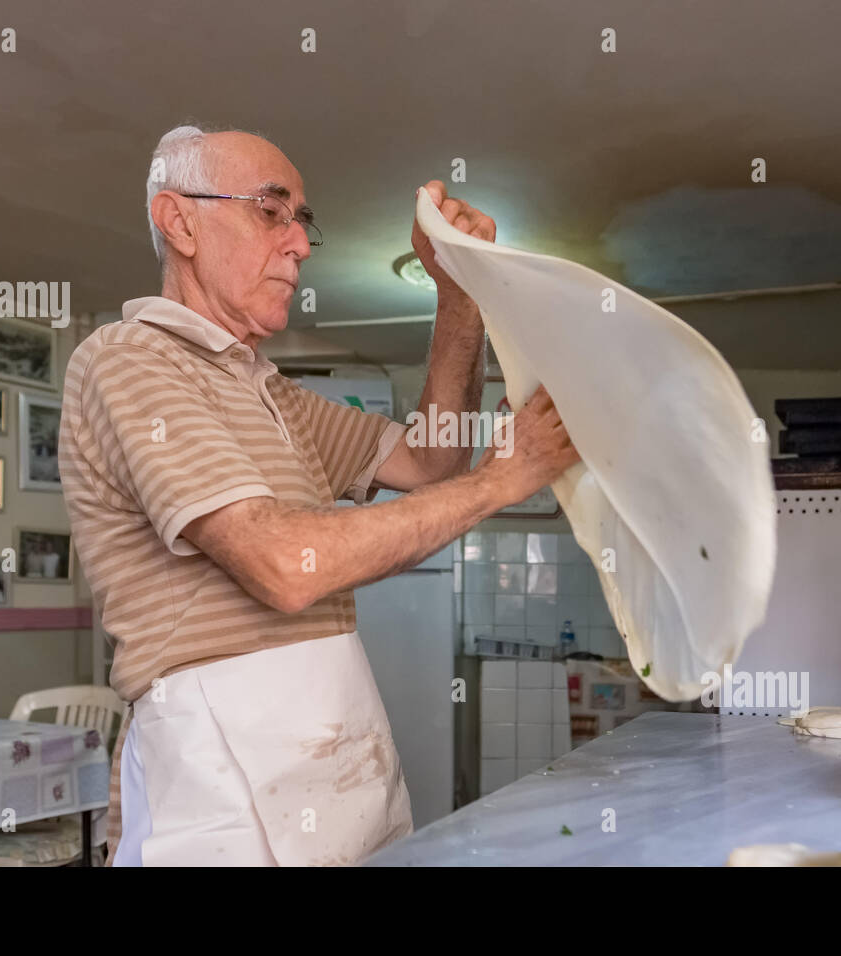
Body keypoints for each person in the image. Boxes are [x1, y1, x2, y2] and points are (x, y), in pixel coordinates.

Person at [59, 125, 579, 868]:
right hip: (219, 771)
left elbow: (431, 460)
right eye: (273, 211)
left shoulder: (275, 395)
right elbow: (284, 566)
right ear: (179, 222)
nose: (300, 242)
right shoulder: (126, 359)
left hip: (333, 736)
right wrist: (506, 477)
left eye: (303, 222)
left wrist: (459, 298)